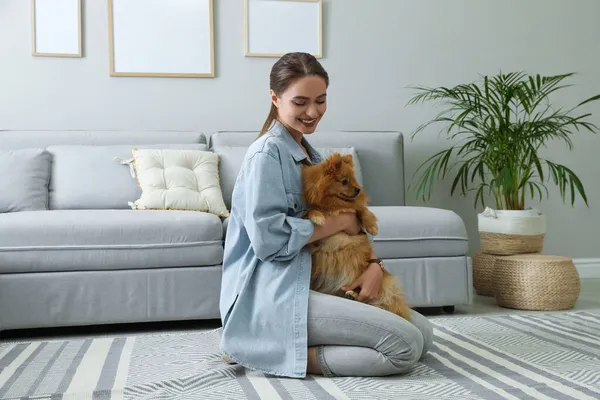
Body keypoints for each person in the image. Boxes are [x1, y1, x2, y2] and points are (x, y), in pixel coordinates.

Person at [219, 52, 433, 378]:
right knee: (404, 347)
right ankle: (262, 351)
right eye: (301, 101)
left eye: (321, 100)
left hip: (312, 281)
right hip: (274, 293)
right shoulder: (266, 155)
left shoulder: (309, 153)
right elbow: (270, 241)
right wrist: (341, 222)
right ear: (275, 99)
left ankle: (276, 345)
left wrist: (374, 266)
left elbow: (351, 217)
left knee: (424, 336)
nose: (313, 112)